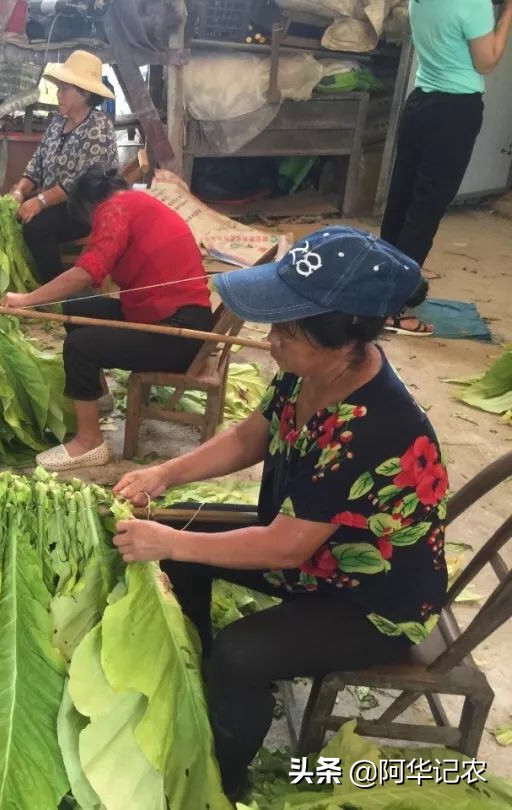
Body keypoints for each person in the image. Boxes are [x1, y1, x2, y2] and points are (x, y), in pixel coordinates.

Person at [110, 227, 446, 801]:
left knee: (240, 653)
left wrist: (167, 540)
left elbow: (284, 548)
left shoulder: (373, 427)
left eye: (286, 330)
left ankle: (226, 779)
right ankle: (193, 682)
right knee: (181, 548)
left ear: (341, 339)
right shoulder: (312, 370)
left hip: (371, 599)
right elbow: (253, 435)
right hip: (311, 550)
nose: (270, 341)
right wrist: (166, 474)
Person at [1, 167, 214, 472]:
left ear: (89, 207)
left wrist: (27, 300)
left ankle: (90, 443)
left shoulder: (115, 208)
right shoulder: (133, 202)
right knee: (79, 310)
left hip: (179, 333)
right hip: (170, 316)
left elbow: (87, 272)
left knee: (80, 346)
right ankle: (98, 396)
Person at [380, 0, 512, 336]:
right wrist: (508, 14)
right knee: (425, 210)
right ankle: (393, 309)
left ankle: (380, 283)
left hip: (420, 104)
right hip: (455, 111)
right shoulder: (473, 5)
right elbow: (486, 61)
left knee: (401, 201)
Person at [8, 50, 119, 284]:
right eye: (59, 88)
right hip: (56, 202)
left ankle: (54, 289)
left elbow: (81, 183)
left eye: (65, 89)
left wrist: (40, 202)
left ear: (85, 93)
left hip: (85, 209)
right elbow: (36, 164)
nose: (59, 94)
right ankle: (30, 280)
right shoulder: (58, 121)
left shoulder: (98, 127)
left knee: (37, 228)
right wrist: (19, 191)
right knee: (11, 213)